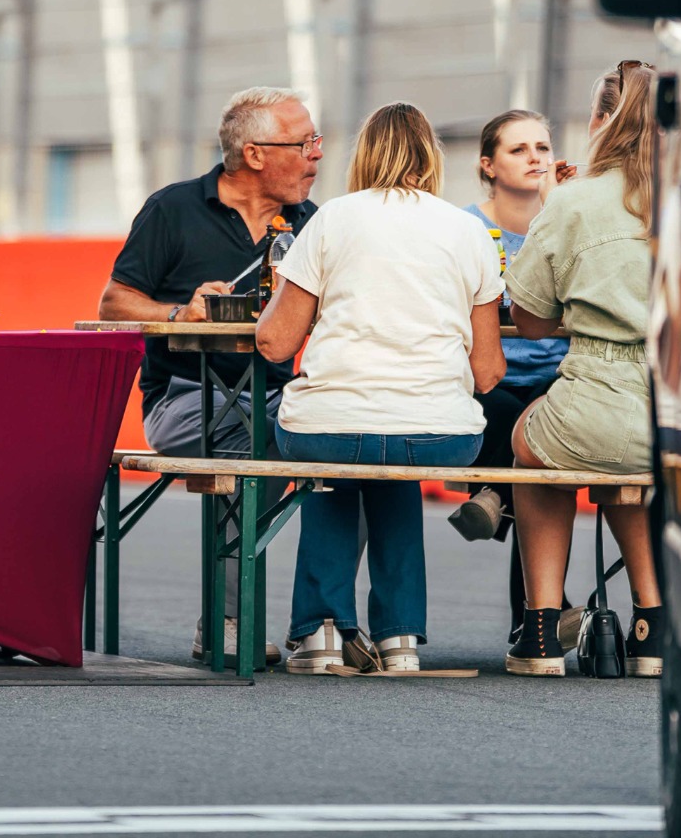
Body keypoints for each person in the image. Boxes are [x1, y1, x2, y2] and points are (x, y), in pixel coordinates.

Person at [256, 102, 505, 675]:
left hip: (331, 428)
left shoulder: (333, 218)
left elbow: (274, 342)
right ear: (431, 157)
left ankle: (320, 632)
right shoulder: (468, 230)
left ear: (364, 155)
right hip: (440, 434)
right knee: (393, 455)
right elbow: (489, 372)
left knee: (334, 458)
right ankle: (399, 639)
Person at [98, 86, 322, 665]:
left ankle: (324, 625)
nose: (317, 154)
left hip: (273, 398)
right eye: (304, 143)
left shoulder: (312, 223)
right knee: (268, 439)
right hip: (182, 399)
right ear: (255, 154)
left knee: (331, 432)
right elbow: (113, 304)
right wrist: (180, 313)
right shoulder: (173, 208)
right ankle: (229, 619)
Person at [502, 61, 665, 678]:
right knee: (623, 466)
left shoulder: (573, 201)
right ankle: (651, 626)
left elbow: (531, 321)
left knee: (533, 445)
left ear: (601, 121)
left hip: (595, 391)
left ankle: (542, 629)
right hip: (677, 412)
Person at [452, 110, 577, 644]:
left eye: (543, 148)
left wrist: (563, 208)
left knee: (542, 427)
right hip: (487, 376)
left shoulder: (570, 219)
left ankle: (494, 497)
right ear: (488, 165)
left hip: (557, 377)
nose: (535, 158)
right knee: (508, 416)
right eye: (519, 149)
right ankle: (540, 613)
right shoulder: (463, 226)